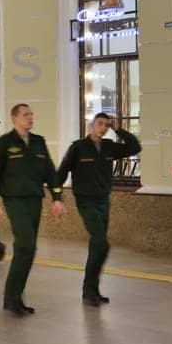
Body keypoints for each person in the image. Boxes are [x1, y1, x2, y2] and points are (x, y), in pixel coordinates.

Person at [0, 104, 65, 316]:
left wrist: (57, 197)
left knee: (26, 249)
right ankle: (12, 297)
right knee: (26, 245)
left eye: (31, 114)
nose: (30, 117)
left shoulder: (38, 142)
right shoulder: (4, 143)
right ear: (14, 118)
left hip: (35, 199)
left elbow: (50, 172)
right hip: (15, 200)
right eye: (25, 114)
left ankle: (13, 298)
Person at [54, 112, 141, 307]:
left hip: (103, 200)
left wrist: (118, 129)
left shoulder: (109, 147)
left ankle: (91, 290)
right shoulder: (78, 147)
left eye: (106, 125)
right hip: (85, 201)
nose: (102, 128)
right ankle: (89, 288)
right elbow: (61, 172)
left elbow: (135, 147)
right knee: (102, 243)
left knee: (97, 245)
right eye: (99, 124)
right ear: (91, 125)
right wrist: (57, 199)